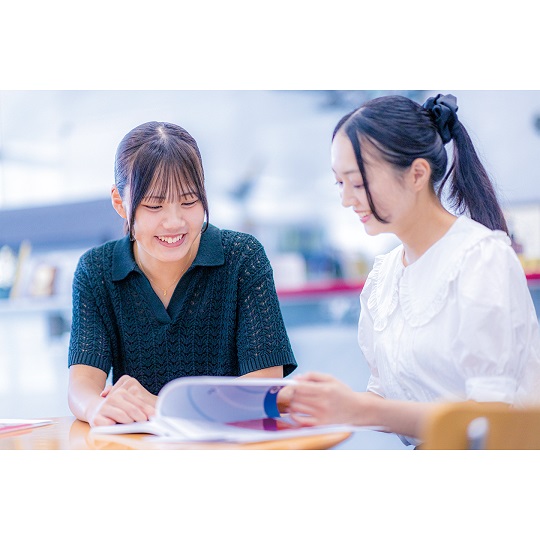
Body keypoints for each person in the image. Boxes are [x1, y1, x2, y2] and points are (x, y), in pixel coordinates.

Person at [288, 94, 540, 445]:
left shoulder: (481, 259)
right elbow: (385, 400)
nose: (346, 199)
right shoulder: (383, 278)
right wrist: (321, 405)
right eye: (339, 183)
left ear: (417, 173)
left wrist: (360, 409)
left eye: (357, 183)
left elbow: (488, 417)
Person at [68, 121, 297, 427]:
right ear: (120, 203)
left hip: (230, 444)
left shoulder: (243, 258)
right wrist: (96, 408)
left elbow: (263, 390)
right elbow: (82, 384)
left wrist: (161, 405)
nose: (174, 222)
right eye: (154, 206)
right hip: (142, 448)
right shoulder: (96, 270)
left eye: (189, 201)